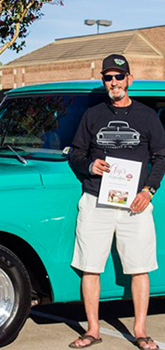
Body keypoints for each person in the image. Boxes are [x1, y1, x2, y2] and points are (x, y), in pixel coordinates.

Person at [68, 54, 165, 350]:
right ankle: (93, 330)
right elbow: (75, 153)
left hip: (134, 205)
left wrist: (148, 190)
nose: (114, 82)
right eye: (108, 78)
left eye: (118, 77)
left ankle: (139, 330)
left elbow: (161, 156)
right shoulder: (93, 115)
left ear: (129, 80)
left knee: (140, 267)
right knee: (90, 267)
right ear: (104, 82)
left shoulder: (147, 116)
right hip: (96, 200)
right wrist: (89, 166)